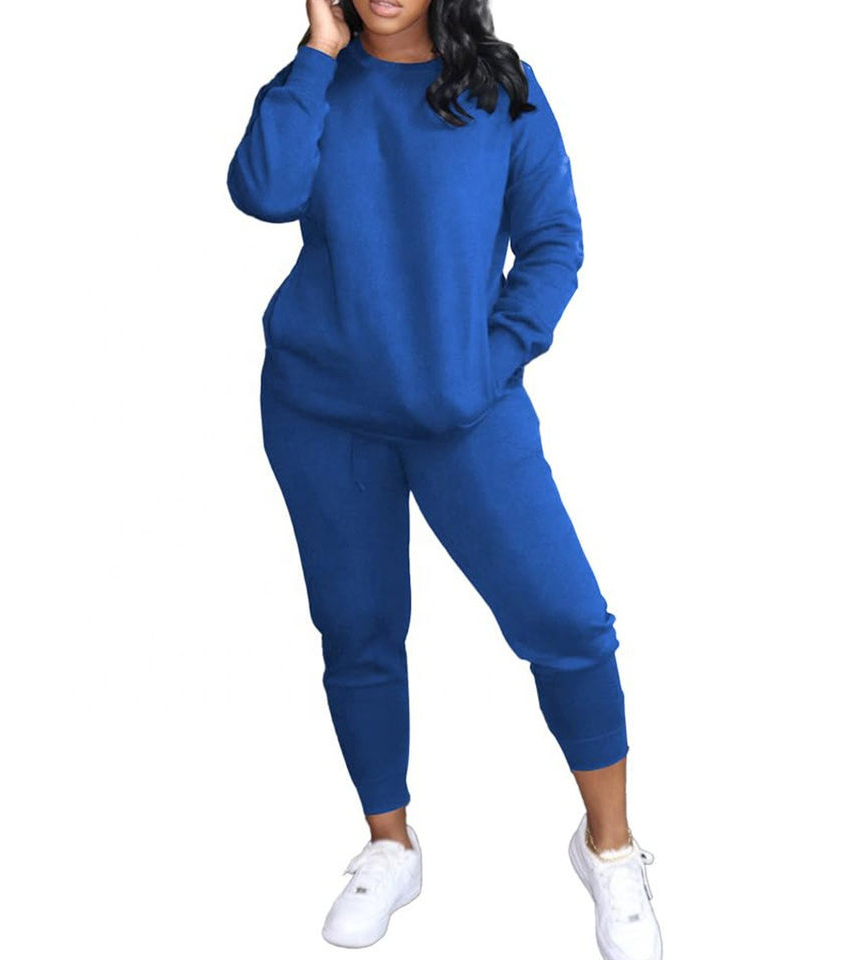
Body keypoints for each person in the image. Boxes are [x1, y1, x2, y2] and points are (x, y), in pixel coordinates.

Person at [226, 1, 663, 956]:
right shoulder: (315, 81)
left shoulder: (501, 86)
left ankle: (611, 847)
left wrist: (490, 359)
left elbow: (554, 238)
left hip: (466, 411)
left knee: (568, 623)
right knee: (359, 630)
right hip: (321, 412)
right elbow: (263, 191)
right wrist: (319, 51)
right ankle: (391, 845)